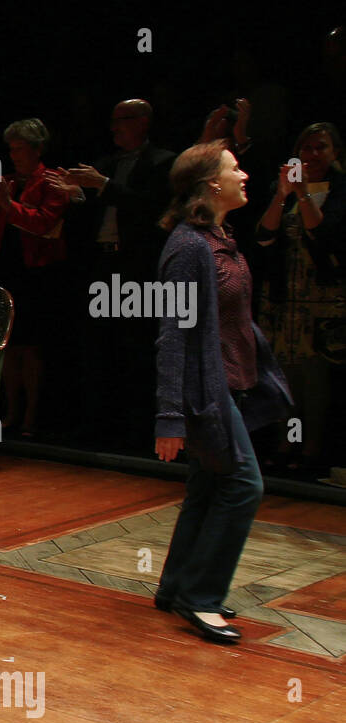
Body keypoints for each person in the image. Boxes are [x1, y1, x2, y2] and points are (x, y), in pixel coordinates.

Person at [153, 141, 291, 643]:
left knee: (210, 486)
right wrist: (169, 416)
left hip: (227, 384)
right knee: (243, 486)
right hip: (201, 393)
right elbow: (172, 334)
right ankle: (200, 598)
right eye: (236, 169)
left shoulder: (219, 237)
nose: (245, 175)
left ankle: (176, 588)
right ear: (212, 182)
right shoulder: (190, 247)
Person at [51, 100, 176, 449]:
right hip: (101, 265)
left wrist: (102, 185)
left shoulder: (163, 162)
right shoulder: (103, 164)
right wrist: (76, 196)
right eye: (113, 120)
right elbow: (91, 216)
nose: (114, 127)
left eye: (122, 120)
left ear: (144, 122)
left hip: (138, 270)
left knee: (135, 348)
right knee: (97, 347)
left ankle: (136, 431)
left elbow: (153, 209)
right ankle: (96, 426)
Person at [255, 122, 345, 471]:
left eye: (321, 147)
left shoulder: (340, 190)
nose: (313, 154)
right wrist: (281, 195)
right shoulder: (284, 188)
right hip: (284, 299)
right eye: (306, 148)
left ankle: (312, 451)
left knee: (315, 384)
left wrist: (304, 194)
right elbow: (264, 236)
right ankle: (286, 445)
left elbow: (324, 235)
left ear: (336, 152)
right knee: (285, 383)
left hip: (323, 300)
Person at [0, 118, 68, 438]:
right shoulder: (8, 183)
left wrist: (5, 205)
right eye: (10, 149)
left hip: (37, 273)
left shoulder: (53, 182)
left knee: (31, 348)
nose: (13, 155)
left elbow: (42, 223)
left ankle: (31, 415)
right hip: (6, 269)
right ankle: (11, 412)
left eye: (20, 149)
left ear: (38, 149)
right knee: (8, 347)